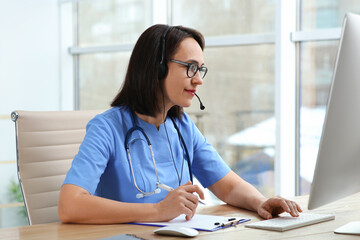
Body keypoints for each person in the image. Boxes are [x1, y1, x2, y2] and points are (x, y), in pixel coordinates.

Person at [58, 24, 302, 224]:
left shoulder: (182, 126)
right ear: (158, 67)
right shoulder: (106, 128)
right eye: (190, 68)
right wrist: (157, 211)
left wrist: (261, 203)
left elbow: (228, 186)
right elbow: (70, 205)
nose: (198, 80)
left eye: (201, 69)